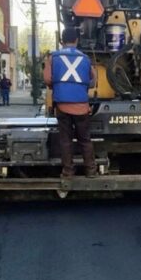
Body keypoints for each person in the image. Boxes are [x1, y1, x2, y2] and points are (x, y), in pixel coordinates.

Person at [44, 28, 97, 178]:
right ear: (77, 40)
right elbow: (93, 82)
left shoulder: (53, 57)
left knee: (65, 140)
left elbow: (47, 79)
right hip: (82, 106)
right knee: (85, 140)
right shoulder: (86, 59)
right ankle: (91, 171)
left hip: (62, 106)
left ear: (62, 40)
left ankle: (68, 172)